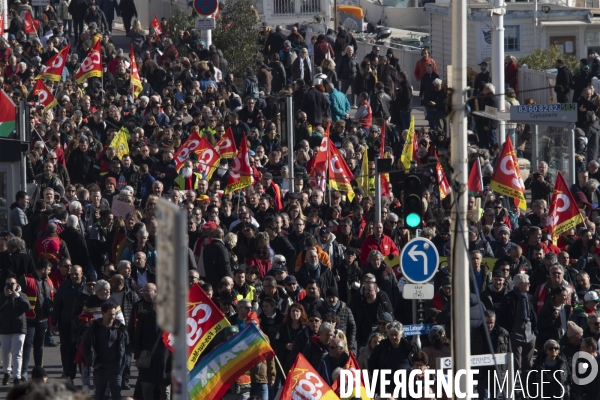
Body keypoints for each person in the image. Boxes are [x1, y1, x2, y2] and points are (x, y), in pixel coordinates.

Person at [83, 302, 130, 400]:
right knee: (99, 395)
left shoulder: (120, 329)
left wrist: (125, 364)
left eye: (114, 314)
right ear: (103, 313)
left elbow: (127, 348)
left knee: (117, 395)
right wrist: (91, 362)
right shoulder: (94, 328)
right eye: (110, 315)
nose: (113, 317)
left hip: (116, 369)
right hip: (100, 368)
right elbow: (86, 346)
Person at [19, 259, 54, 380]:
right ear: (43, 269)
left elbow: (51, 297)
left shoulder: (48, 281)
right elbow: (20, 298)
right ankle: (23, 371)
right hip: (29, 319)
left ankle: (39, 371)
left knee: (39, 346)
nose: (49, 272)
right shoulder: (25, 279)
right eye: (48, 270)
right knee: (27, 345)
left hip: (43, 319)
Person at [0, 273, 30, 385]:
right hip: (4, 328)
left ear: (16, 284)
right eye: (8, 284)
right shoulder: (2, 295)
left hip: (19, 328)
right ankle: (7, 372)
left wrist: (17, 296)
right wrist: (4, 296)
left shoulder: (22, 295)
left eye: (12, 283)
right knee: (5, 352)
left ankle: (16, 376)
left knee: (17, 353)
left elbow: (26, 307)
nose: (10, 286)